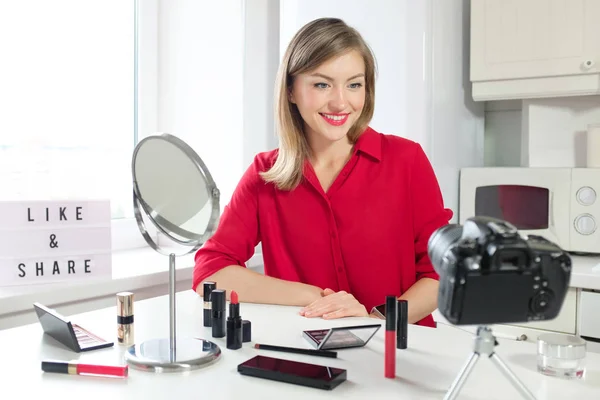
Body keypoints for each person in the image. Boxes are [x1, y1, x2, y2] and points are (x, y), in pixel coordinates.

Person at [192, 17, 453, 327]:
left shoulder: (406, 160)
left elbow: (440, 270)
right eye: (322, 84)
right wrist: (315, 297)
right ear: (290, 90)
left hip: (398, 355)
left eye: (354, 84)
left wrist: (375, 322)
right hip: (305, 355)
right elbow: (210, 272)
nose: (341, 102)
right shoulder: (265, 174)